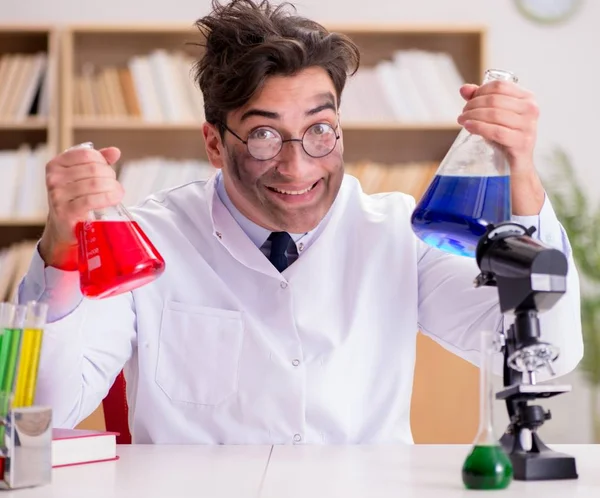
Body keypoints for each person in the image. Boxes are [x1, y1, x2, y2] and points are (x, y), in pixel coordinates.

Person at [19, 0, 582, 445]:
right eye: (263, 134)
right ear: (215, 143)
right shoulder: (149, 238)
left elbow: (546, 356)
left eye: (320, 129)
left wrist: (520, 174)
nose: (298, 165)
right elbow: (41, 409)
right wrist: (61, 250)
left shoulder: (398, 233)